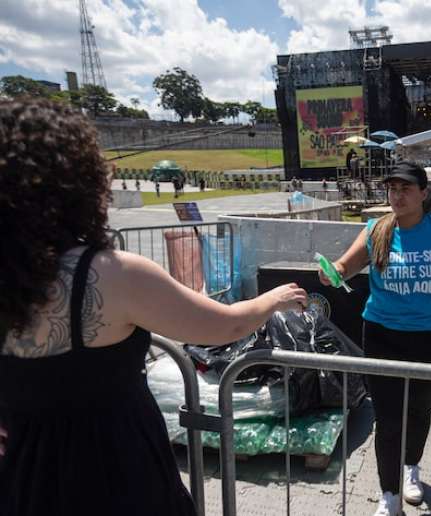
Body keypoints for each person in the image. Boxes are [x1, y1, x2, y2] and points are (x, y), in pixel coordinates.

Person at [0, 98, 308, 516]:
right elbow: (222, 327)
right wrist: (272, 299)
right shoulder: (115, 274)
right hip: (118, 473)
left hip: (26, 478)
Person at [318, 162, 431, 516]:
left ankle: (412, 467)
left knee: (418, 410)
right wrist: (331, 273)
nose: (397, 196)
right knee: (388, 417)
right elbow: (344, 267)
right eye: (392, 189)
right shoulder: (375, 230)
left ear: (423, 194)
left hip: (430, 338)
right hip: (382, 336)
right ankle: (389, 493)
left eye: (406, 189)